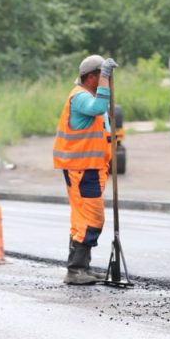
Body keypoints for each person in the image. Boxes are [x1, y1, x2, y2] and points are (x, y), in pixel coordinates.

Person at [53, 54, 118, 285]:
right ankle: (75, 269)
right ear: (91, 77)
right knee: (91, 218)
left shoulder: (88, 95)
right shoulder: (80, 98)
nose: (106, 82)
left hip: (92, 168)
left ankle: (83, 267)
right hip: (82, 169)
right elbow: (100, 106)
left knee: (85, 217)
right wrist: (106, 78)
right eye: (102, 77)